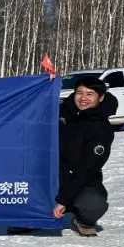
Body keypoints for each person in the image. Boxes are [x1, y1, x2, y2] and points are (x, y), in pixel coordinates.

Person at [8, 75, 117, 236]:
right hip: (48, 175)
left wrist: (63, 201)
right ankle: (36, 218)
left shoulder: (102, 130)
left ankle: (83, 221)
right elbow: (34, 107)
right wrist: (45, 85)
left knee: (94, 204)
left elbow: (86, 169)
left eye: (90, 94)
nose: (83, 98)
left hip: (81, 180)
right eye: (80, 93)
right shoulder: (61, 111)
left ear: (100, 98)